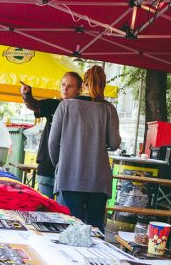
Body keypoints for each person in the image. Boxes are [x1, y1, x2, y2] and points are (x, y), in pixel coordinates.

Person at [49, 65, 121, 233]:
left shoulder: (66, 106)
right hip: (98, 179)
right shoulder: (109, 109)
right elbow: (114, 144)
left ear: (84, 83)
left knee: (70, 227)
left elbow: (53, 142)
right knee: (96, 226)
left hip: (69, 176)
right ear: (103, 85)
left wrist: (59, 165)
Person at [20, 72, 83, 200]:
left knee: (64, 212)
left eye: (70, 86)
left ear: (78, 90)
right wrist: (27, 94)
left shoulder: (82, 109)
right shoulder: (54, 104)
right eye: (63, 84)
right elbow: (34, 105)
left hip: (69, 169)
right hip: (47, 165)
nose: (65, 88)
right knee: (44, 209)